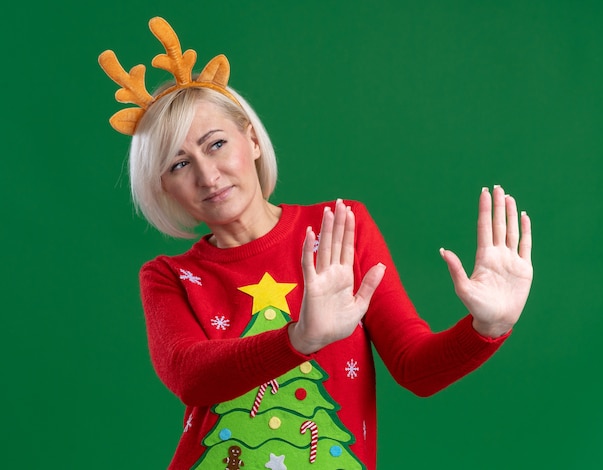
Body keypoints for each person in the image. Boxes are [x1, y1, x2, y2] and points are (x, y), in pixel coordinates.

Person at [99, 17, 533, 470]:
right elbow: (190, 376)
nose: (208, 176)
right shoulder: (168, 276)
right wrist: (298, 339)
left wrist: (487, 329)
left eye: (216, 144)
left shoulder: (341, 227)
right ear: (164, 187)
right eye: (179, 165)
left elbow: (415, 367)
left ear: (251, 140)